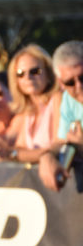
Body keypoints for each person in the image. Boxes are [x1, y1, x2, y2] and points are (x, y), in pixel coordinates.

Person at [0, 44, 62, 163]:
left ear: (49, 73)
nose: (28, 77)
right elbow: (20, 148)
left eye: (35, 71)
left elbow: (58, 148)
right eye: (20, 73)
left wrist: (12, 153)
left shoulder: (58, 99)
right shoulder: (28, 110)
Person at [39, 40, 83, 192]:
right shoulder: (68, 100)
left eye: (82, 77)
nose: (79, 86)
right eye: (70, 82)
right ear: (61, 83)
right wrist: (47, 156)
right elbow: (61, 141)